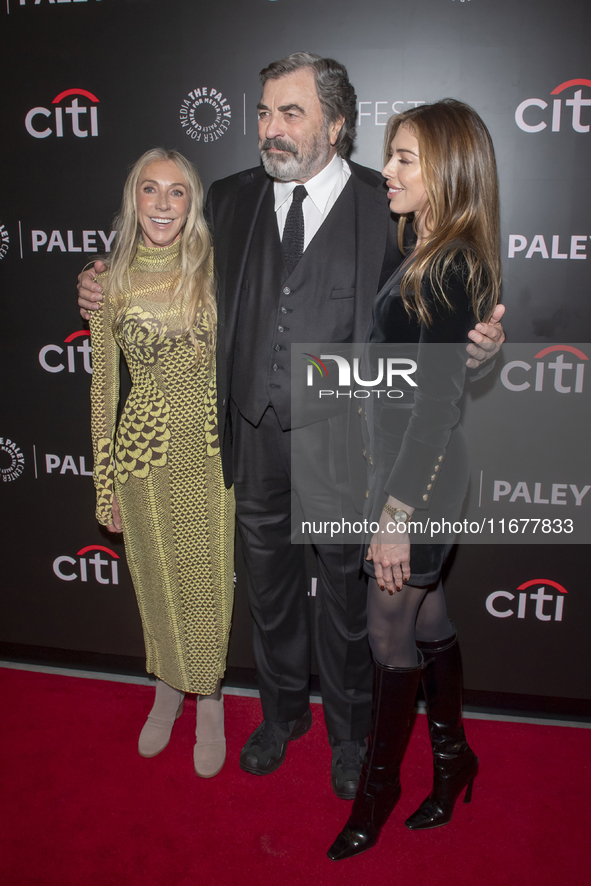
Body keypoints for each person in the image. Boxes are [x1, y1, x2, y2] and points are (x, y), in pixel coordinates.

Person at [79, 54, 505, 799]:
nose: (270, 130)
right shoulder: (232, 198)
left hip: (348, 446)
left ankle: (348, 733)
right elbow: (158, 251)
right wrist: (97, 280)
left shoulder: (390, 207)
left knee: (346, 602)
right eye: (264, 113)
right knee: (270, 591)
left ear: (336, 126)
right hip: (248, 434)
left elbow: (433, 315)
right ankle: (279, 718)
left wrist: (479, 343)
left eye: (291, 113)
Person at [328, 99, 502, 860]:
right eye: (389, 154)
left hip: (417, 480)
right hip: (405, 469)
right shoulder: (427, 246)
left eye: (405, 158)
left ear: (448, 171)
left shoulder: (451, 260)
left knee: (385, 633)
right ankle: (453, 758)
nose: (387, 170)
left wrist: (393, 515)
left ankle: (378, 791)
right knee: (425, 623)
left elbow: (434, 408)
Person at [89, 148, 235, 779]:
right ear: (134, 199)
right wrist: (105, 485)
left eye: (177, 192)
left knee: (206, 582)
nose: (163, 204)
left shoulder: (216, 267)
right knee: (157, 580)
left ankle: (209, 698)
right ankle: (167, 688)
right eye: (150, 190)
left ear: (191, 202)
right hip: (142, 450)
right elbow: (101, 389)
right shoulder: (109, 281)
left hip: (208, 448)